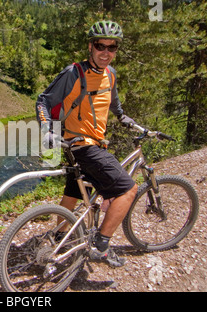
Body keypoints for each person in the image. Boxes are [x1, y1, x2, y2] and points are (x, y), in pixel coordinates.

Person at [36, 21, 138, 267]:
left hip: (89, 146)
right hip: (82, 146)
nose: (106, 52)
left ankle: (59, 234)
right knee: (128, 190)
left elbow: (112, 102)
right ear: (90, 47)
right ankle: (101, 245)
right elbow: (43, 101)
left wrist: (123, 116)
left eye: (112, 47)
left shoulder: (110, 74)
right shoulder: (74, 73)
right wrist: (47, 129)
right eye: (101, 45)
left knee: (73, 193)